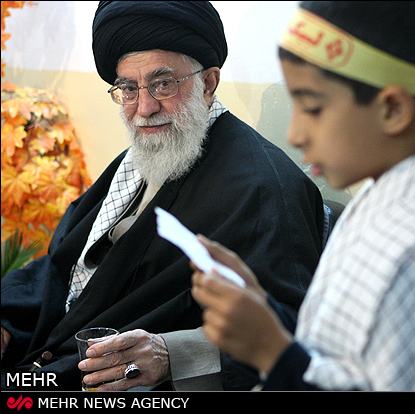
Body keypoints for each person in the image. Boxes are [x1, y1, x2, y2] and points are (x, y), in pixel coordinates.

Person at [191, 1, 415, 391]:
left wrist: (273, 352)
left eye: (311, 107)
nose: (294, 134)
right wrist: (266, 311)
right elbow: (346, 354)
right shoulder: (386, 196)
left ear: (394, 110)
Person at [1, 1, 325, 391]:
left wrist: (172, 354)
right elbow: (68, 263)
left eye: (163, 84)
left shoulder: (265, 186)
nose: (145, 108)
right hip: (53, 353)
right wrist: (7, 321)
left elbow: (293, 331)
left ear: (208, 84)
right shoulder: (145, 154)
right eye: (128, 89)